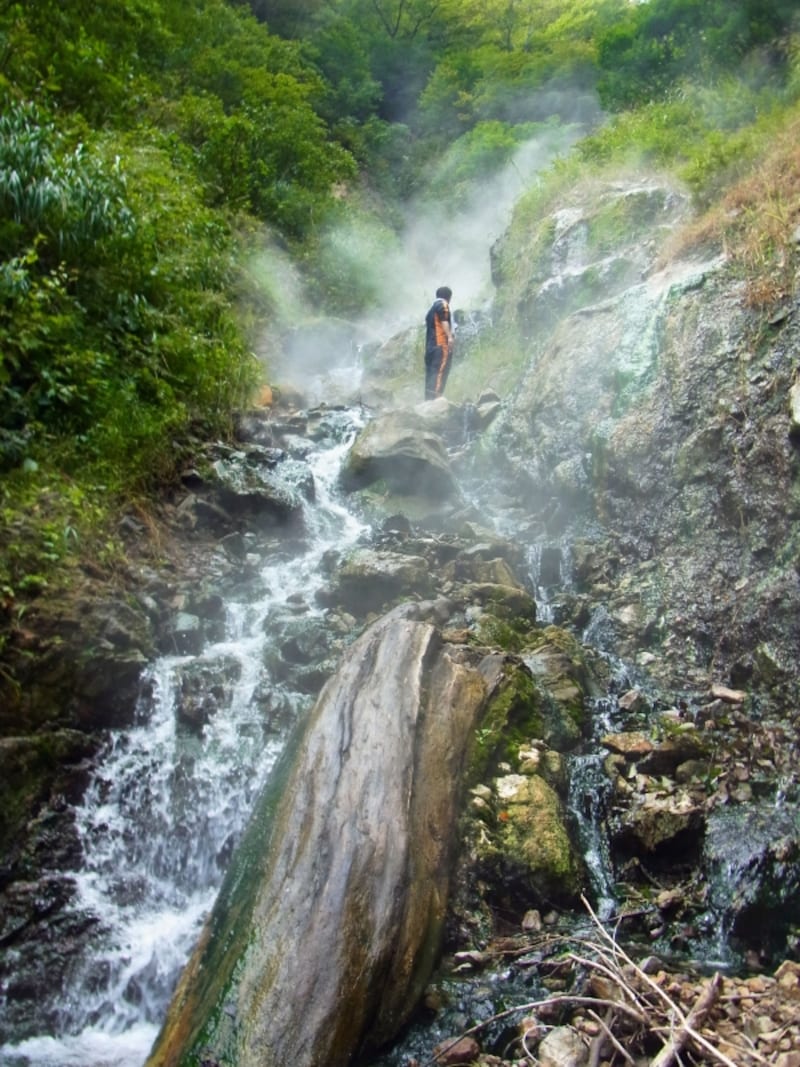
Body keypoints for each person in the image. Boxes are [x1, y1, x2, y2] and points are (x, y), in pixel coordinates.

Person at [424, 285, 454, 400]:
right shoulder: (443, 304)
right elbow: (444, 320)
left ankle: (428, 401)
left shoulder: (430, 311)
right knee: (440, 373)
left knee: (431, 375)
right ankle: (435, 401)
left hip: (430, 348)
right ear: (448, 297)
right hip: (440, 346)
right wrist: (450, 337)